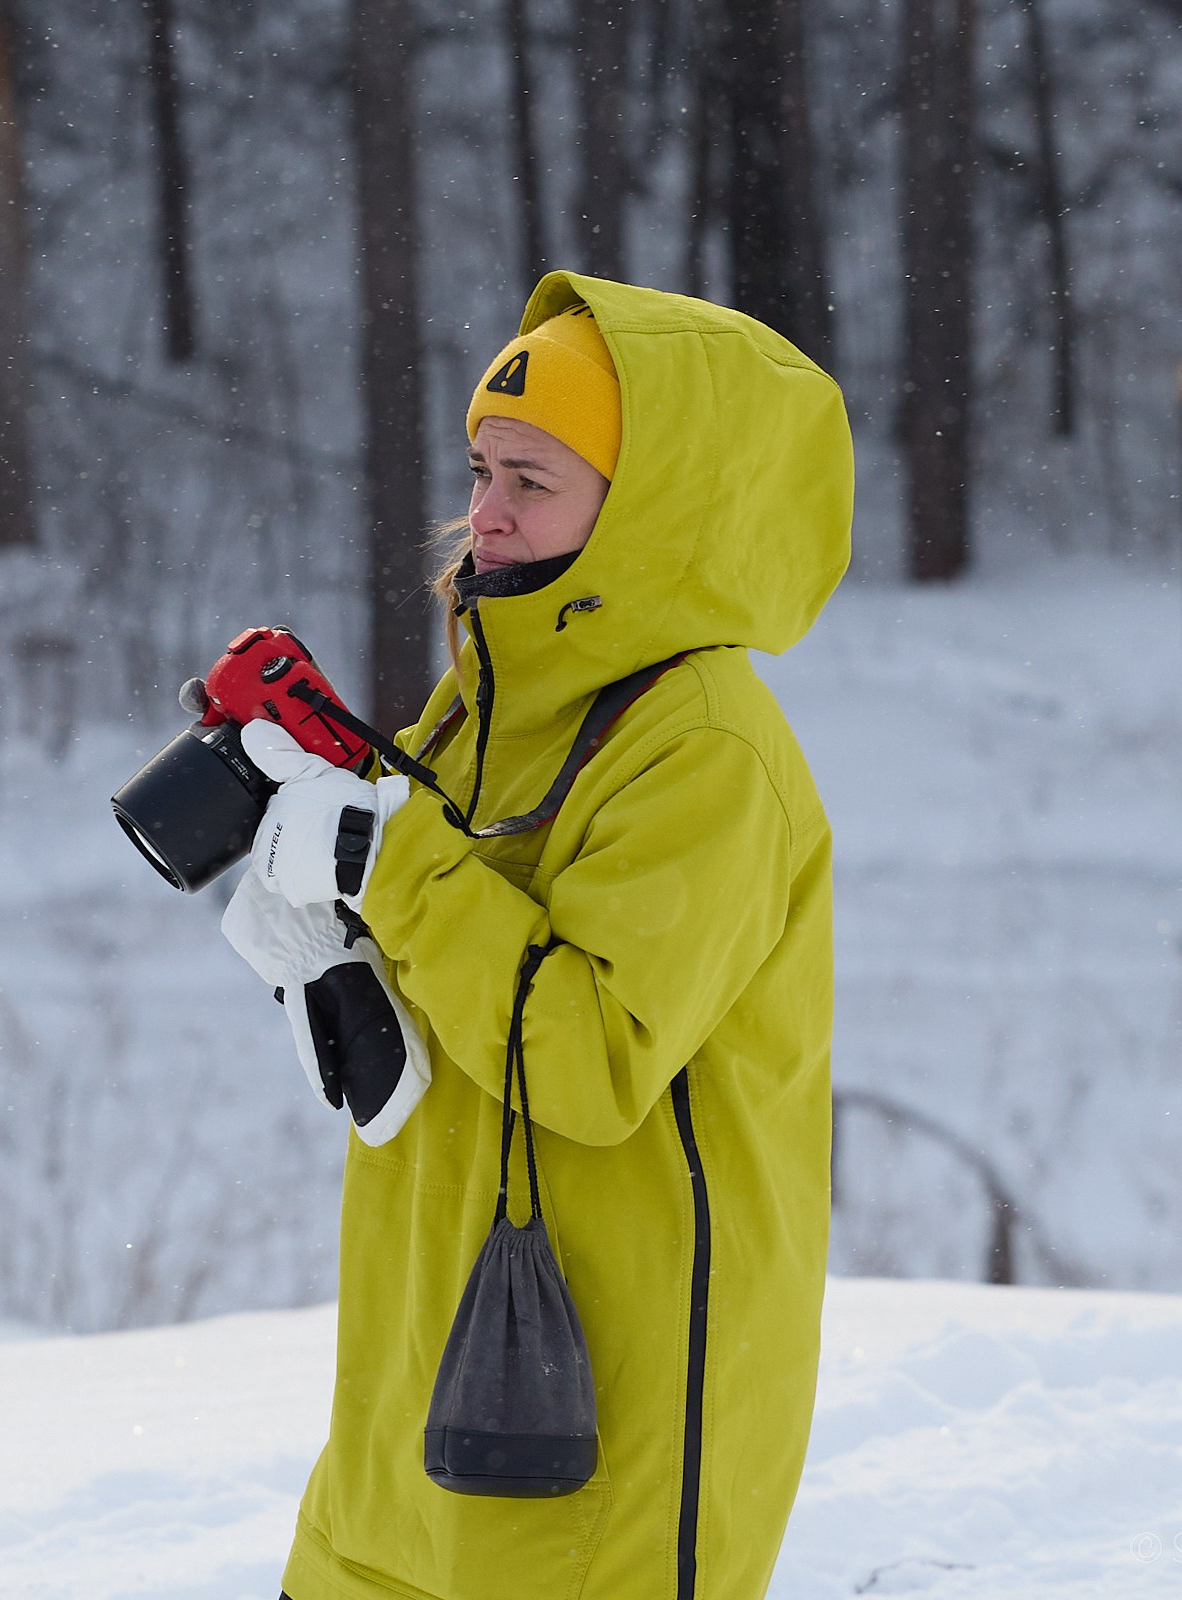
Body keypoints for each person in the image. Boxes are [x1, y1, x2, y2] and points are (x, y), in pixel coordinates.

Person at [230, 271, 852, 1600]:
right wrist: (321, 954)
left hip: (602, 1421)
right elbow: (446, 982)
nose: (487, 515)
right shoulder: (484, 704)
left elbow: (585, 1058)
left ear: (650, 509)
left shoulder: (706, 755)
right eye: (481, 469)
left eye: (533, 479)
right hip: (422, 1379)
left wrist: (389, 864)